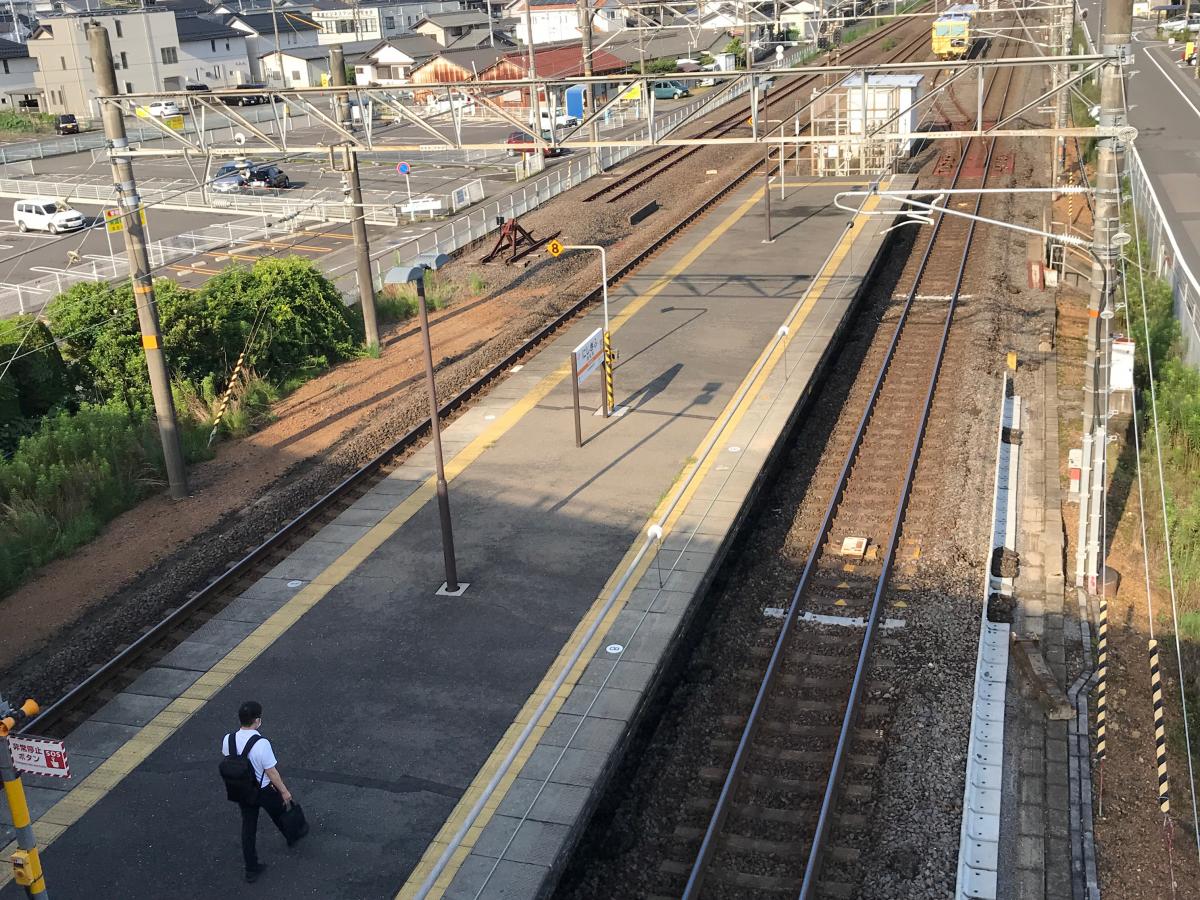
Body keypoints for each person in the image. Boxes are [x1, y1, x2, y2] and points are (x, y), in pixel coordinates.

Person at [222, 701, 299, 883]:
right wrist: (285, 792)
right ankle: (291, 836)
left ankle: (251, 868)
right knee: (279, 815)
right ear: (257, 721)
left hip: (242, 791)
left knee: (248, 828)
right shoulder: (261, 743)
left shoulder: (228, 739)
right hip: (264, 790)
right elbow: (271, 772)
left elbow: (231, 760)